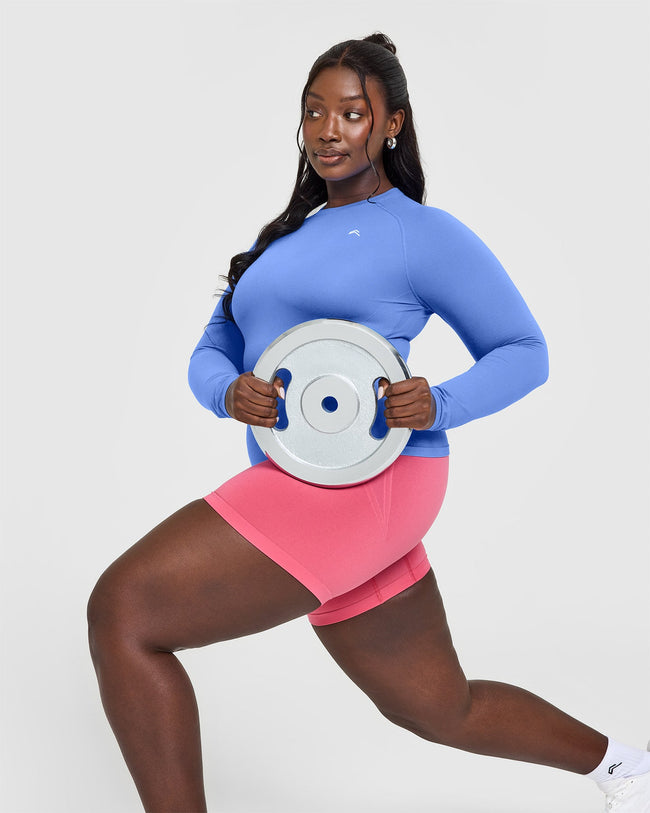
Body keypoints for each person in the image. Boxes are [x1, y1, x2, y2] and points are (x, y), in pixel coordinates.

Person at [87, 33, 649, 813]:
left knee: (124, 610)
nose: (329, 130)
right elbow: (211, 349)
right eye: (314, 112)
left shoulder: (421, 232)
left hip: (370, 483)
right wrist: (228, 392)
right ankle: (628, 767)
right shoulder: (279, 238)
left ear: (391, 124)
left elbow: (525, 351)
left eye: (351, 113)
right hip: (307, 478)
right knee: (438, 705)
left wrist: (441, 402)